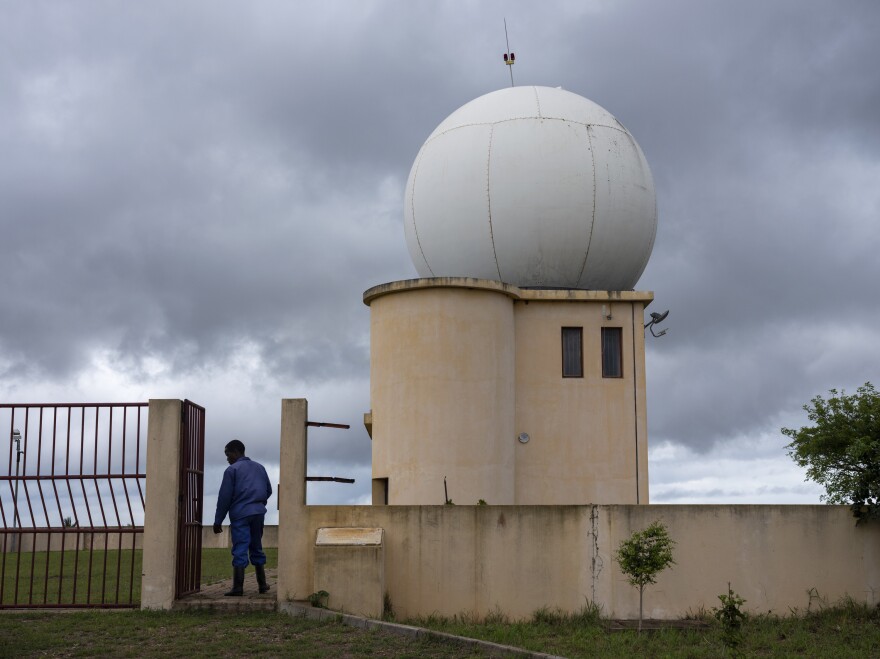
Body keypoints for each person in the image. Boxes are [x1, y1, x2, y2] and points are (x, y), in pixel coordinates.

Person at [213, 439, 273, 596]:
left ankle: (238, 587)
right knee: (256, 546)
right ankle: (262, 585)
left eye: (228, 454)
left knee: (240, 547)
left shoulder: (232, 470)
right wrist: (258, 503)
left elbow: (224, 498)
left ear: (236, 452)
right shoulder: (260, 468)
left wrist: (218, 520)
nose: (227, 459)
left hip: (240, 514)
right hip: (258, 513)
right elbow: (268, 490)